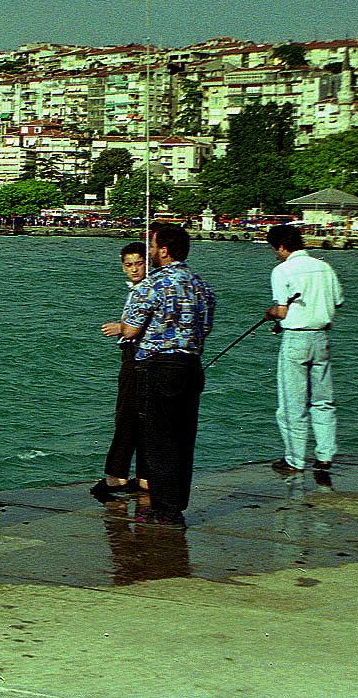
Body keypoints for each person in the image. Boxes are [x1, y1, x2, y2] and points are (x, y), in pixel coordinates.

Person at [120, 224, 215, 528]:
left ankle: (165, 509)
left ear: (163, 250)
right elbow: (207, 326)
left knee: (158, 438)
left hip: (159, 366)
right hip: (191, 365)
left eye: (152, 245)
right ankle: (176, 504)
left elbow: (131, 329)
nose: (148, 251)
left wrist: (122, 327)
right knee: (183, 437)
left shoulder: (153, 284)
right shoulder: (201, 284)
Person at [263, 224, 345, 474]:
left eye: (274, 249)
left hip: (296, 339)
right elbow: (338, 301)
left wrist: (269, 314)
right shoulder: (324, 266)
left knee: (292, 403)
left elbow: (281, 310)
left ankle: (295, 459)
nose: (275, 254)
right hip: (322, 338)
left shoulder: (282, 270)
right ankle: (325, 456)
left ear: (281, 247)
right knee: (323, 400)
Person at [93, 241, 148, 502]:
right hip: (149, 359)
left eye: (139, 263)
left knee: (126, 414)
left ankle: (117, 475)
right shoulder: (142, 289)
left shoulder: (143, 291)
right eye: (129, 265)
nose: (135, 269)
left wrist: (121, 327)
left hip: (136, 356)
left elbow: (134, 327)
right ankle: (145, 475)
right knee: (145, 417)